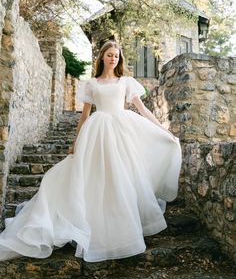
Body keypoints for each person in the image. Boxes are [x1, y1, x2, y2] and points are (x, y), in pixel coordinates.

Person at [0, 40, 182, 262]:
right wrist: (75, 142)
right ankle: (93, 224)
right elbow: (84, 115)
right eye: (109, 55)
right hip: (97, 131)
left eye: (116, 55)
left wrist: (163, 131)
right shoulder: (92, 84)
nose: (113, 58)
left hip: (122, 131)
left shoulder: (126, 81)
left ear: (119, 59)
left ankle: (122, 224)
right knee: (94, 177)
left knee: (122, 177)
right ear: (102, 57)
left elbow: (143, 109)